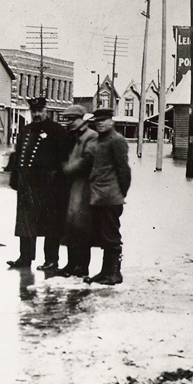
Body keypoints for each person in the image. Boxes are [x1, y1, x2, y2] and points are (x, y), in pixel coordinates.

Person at [7, 97, 69, 271]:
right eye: (34, 111)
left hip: (48, 186)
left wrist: (58, 181)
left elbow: (63, 157)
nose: (37, 114)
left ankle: (51, 260)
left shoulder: (56, 130)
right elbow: (18, 155)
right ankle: (25, 257)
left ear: (46, 111)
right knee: (25, 223)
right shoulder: (26, 130)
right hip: (27, 185)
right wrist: (15, 177)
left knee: (50, 224)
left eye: (40, 111)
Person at [84, 108, 131, 286]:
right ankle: (105, 272)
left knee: (111, 236)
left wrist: (119, 193)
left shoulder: (116, 141)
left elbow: (124, 171)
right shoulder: (98, 140)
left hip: (110, 197)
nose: (100, 123)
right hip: (98, 196)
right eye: (97, 121)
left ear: (112, 121)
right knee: (103, 235)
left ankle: (114, 273)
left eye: (104, 120)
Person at [54, 105, 98, 278]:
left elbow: (87, 161)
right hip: (70, 185)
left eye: (73, 119)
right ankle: (71, 264)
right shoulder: (72, 136)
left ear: (82, 119)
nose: (70, 122)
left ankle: (81, 266)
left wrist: (67, 168)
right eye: (68, 119)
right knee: (70, 225)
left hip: (84, 185)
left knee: (82, 227)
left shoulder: (90, 137)